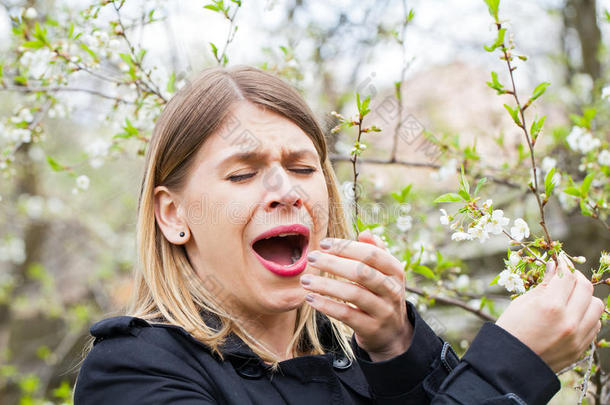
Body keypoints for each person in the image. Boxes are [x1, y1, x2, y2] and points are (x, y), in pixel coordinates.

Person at [73, 65, 604, 405]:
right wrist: (508, 370)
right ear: (172, 215)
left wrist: (400, 348)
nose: (286, 190)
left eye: (304, 168)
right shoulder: (135, 373)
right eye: (242, 173)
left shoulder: (359, 358)